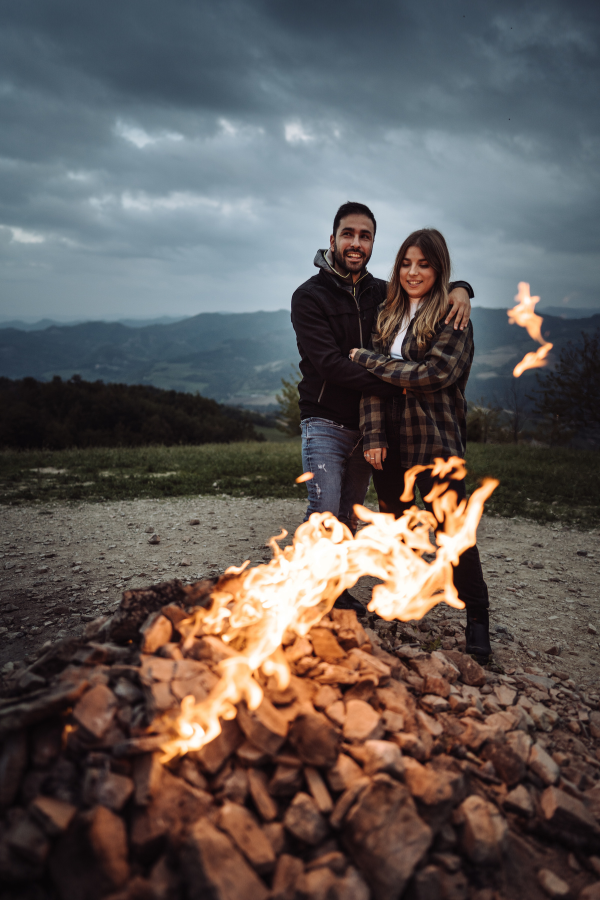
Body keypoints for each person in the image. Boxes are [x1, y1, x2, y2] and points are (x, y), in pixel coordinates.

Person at [291, 202, 474, 613]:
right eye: (348, 234)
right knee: (324, 508)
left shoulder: (380, 293)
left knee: (348, 513)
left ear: (372, 242)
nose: (356, 243)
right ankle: (310, 598)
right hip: (324, 419)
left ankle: (334, 592)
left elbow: (425, 283)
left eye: (365, 235)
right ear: (332, 239)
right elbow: (331, 364)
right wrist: (400, 386)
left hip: (369, 423)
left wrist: (462, 287)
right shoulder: (308, 296)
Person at [349, 227, 491, 660]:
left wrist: (371, 360)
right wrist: (372, 435)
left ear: (439, 268)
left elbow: (434, 375)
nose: (413, 272)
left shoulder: (454, 315)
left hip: (436, 443)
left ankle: (478, 616)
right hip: (389, 442)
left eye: (424, 264)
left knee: (454, 534)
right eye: (407, 263)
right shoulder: (387, 313)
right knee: (397, 525)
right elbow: (371, 388)